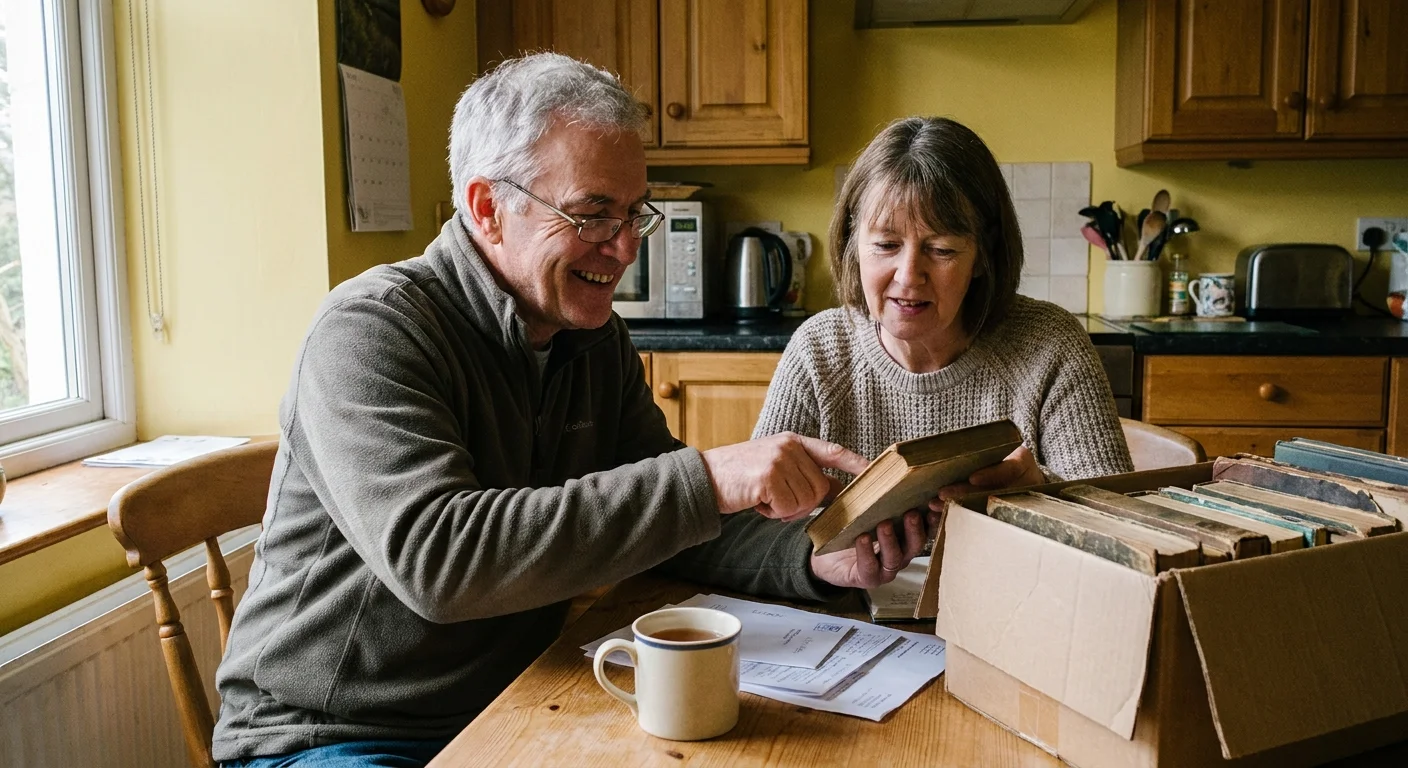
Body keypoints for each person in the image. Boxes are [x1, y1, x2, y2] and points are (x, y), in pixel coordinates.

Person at [212, 54, 932, 767]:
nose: (622, 250)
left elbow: (674, 529)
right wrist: (711, 477)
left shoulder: (591, 339)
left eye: (632, 215)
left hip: (519, 699)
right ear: (488, 207)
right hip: (333, 736)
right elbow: (440, 562)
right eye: (592, 215)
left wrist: (817, 559)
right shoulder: (370, 330)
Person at [753, 116, 1133, 500]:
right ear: (853, 243)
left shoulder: (1051, 346)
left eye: (941, 250)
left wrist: (1043, 493)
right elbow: (752, 533)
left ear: (984, 255)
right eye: (886, 245)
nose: (909, 276)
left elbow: (1119, 519)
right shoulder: (817, 352)